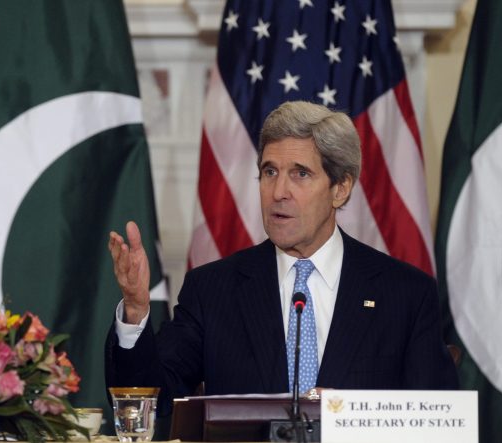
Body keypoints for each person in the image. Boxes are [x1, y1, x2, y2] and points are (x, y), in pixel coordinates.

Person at [105, 101, 459, 415]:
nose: (278, 192)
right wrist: (136, 310)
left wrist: (348, 413)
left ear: (340, 188)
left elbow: (437, 423)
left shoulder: (405, 295)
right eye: (269, 172)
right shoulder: (213, 289)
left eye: (300, 174)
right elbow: (153, 400)